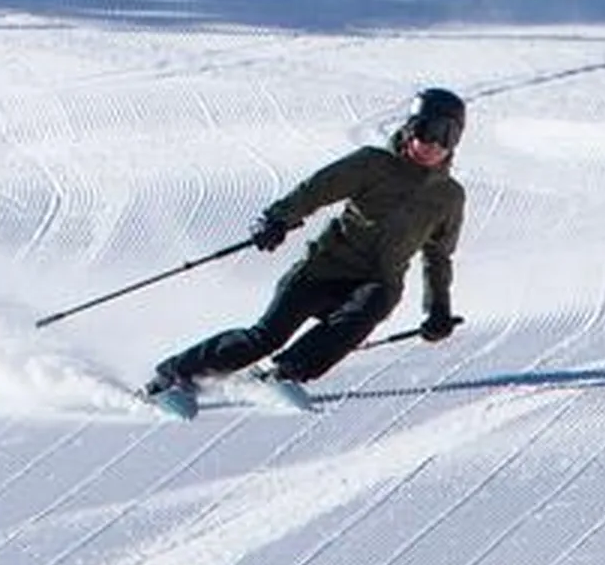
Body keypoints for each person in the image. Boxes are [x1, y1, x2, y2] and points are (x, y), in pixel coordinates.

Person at [147, 87, 468, 400]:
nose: (434, 144)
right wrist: (277, 218)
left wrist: (438, 310)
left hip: (376, 281)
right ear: (411, 127)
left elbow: (438, 256)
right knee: (264, 338)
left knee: (373, 304)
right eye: (428, 131)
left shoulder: (449, 197)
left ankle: (285, 372)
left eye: (447, 136)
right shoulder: (372, 164)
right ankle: (173, 377)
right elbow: (316, 190)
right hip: (324, 268)